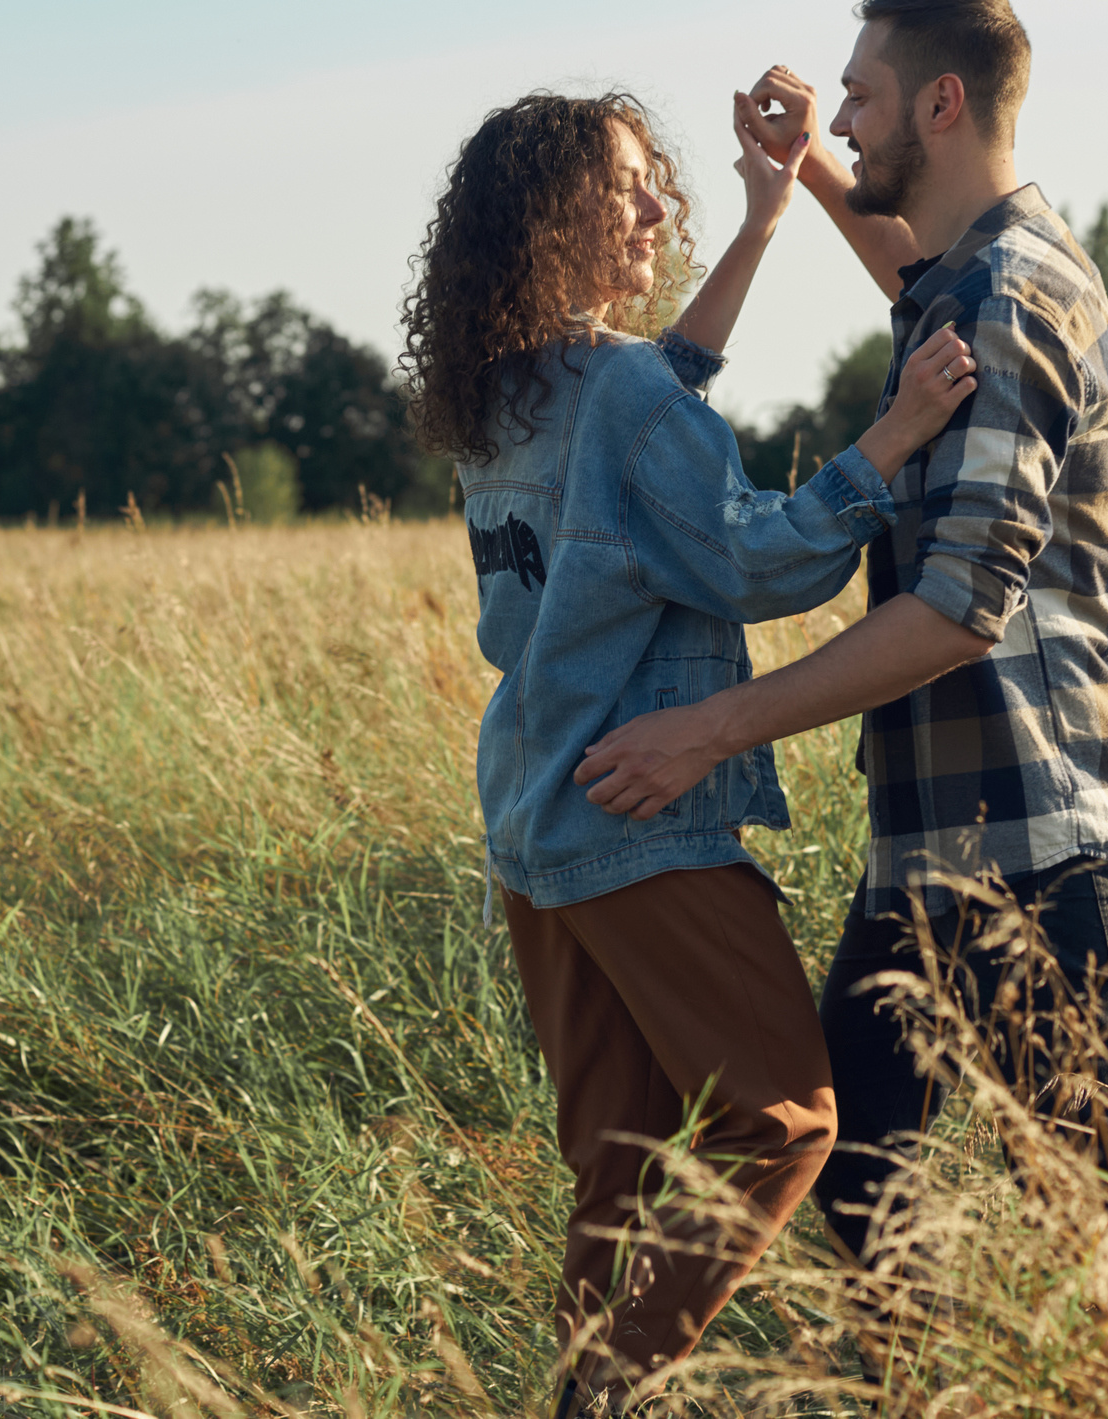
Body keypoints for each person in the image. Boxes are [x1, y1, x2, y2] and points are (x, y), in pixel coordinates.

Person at [574, 0, 1108, 1272]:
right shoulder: (968, 281)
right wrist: (795, 172)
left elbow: (959, 610)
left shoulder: (1011, 298)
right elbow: (914, 283)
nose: (842, 119)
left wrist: (709, 731)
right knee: (859, 1177)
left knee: (1102, 1231)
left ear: (942, 102)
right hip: (940, 840)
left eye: (860, 95)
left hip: (1033, 837)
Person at [398, 88, 978, 1413]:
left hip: (535, 816)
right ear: (547, 216)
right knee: (786, 1120)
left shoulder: (510, 388)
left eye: (659, 182)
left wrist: (767, 225)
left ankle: (579, 1392)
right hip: (639, 806)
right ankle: (610, 1392)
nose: (661, 206)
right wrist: (888, 443)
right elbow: (744, 556)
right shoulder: (614, 394)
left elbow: (655, 401)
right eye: (625, 187)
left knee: (618, 1160)